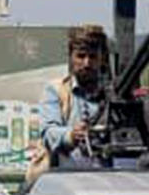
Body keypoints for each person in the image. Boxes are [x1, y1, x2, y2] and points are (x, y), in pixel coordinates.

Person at [37, 25, 109, 171]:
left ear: (102, 59)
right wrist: (70, 135)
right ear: (71, 57)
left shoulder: (111, 94)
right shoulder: (56, 90)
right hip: (66, 177)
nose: (87, 63)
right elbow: (48, 132)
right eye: (81, 56)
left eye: (93, 57)